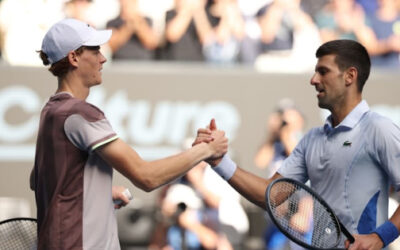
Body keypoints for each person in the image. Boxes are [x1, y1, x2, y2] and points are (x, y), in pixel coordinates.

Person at [30, 18, 228, 249]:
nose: (103, 58)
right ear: (74, 57)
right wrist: (206, 151)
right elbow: (146, 177)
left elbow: (40, 180)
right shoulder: (80, 113)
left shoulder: (51, 111)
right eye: (94, 51)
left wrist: (98, 192)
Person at [195, 39, 400, 249]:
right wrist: (220, 162)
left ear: (350, 76)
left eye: (323, 71)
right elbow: (271, 197)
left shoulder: (378, 129)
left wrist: (380, 237)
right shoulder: (311, 139)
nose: (313, 80)